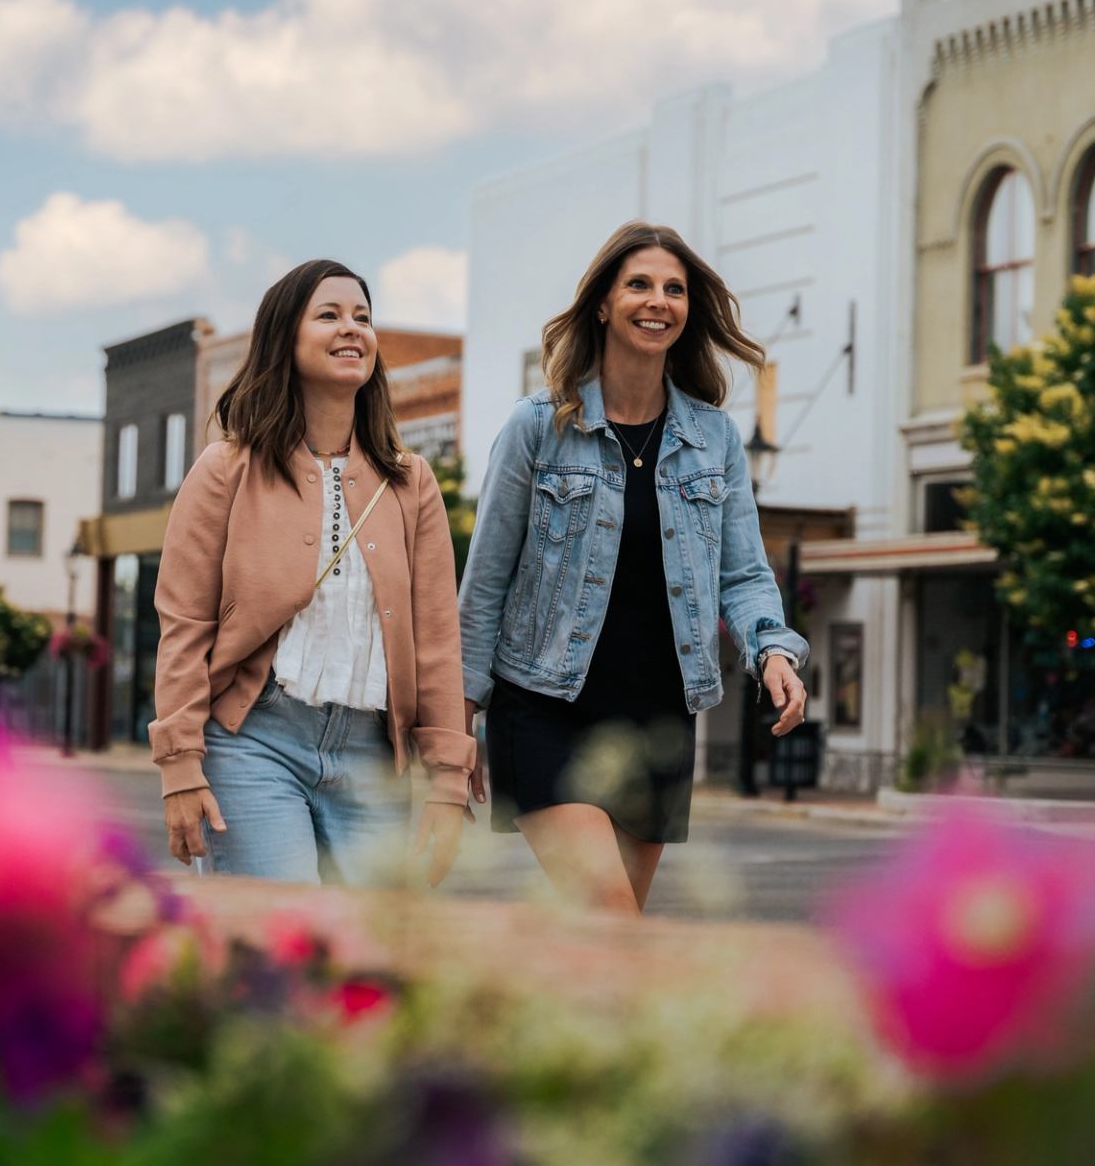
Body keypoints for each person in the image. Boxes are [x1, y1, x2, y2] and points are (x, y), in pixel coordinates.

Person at [458, 221, 810, 913]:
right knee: (611, 917)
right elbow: (487, 580)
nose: (659, 301)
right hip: (545, 706)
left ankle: (543, 1017)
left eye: (674, 289)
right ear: (602, 303)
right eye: (639, 284)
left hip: (657, 717)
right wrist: (460, 722)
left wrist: (772, 649)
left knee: (609, 947)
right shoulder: (539, 426)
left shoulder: (712, 438)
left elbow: (740, 572)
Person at [152, 258, 475, 887]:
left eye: (362, 317)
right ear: (285, 340)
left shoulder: (410, 483)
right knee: (275, 952)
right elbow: (184, 624)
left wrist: (448, 782)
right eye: (328, 315)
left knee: (367, 966)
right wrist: (179, 766)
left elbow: (436, 640)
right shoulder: (226, 470)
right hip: (254, 743)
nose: (351, 328)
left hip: (374, 758)